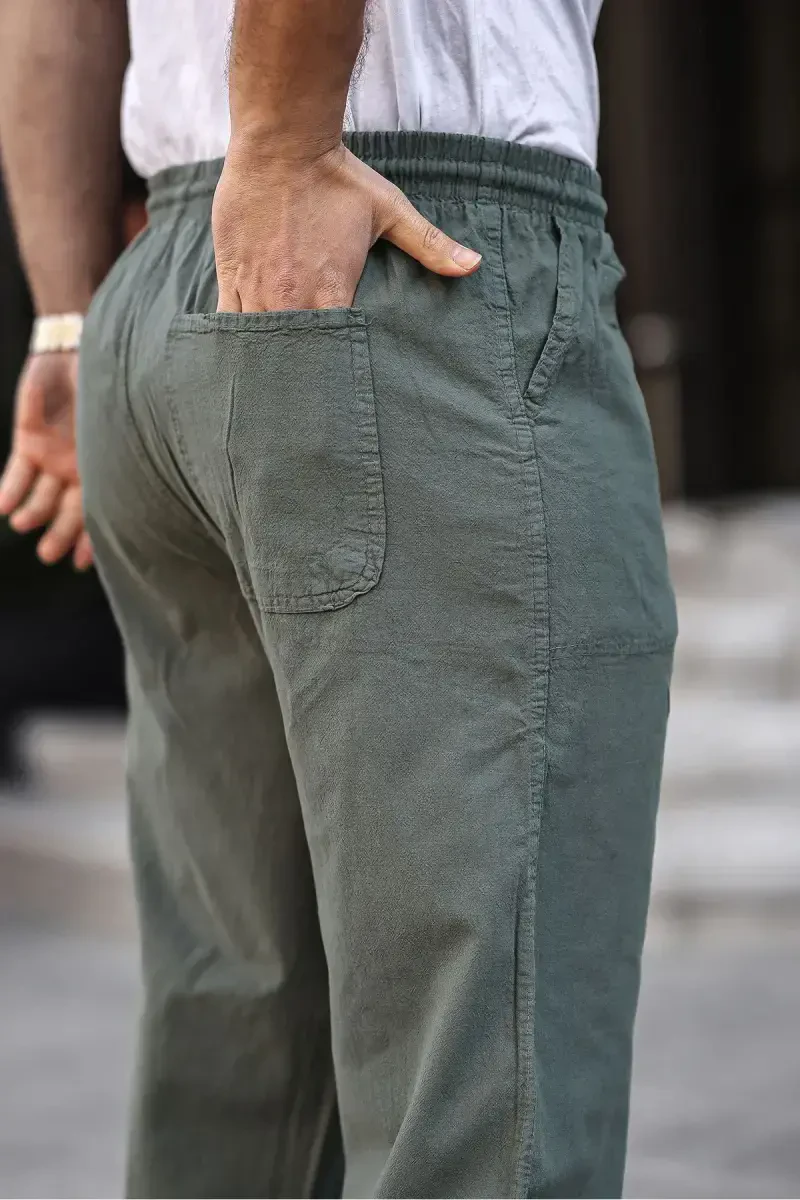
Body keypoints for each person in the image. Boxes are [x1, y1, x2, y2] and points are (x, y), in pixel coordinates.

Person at [0, 1, 678, 1195]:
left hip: (171, 292)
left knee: (241, 1058)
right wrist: (284, 141)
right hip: (398, 249)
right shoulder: (309, 168)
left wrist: (65, 317)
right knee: (478, 1097)